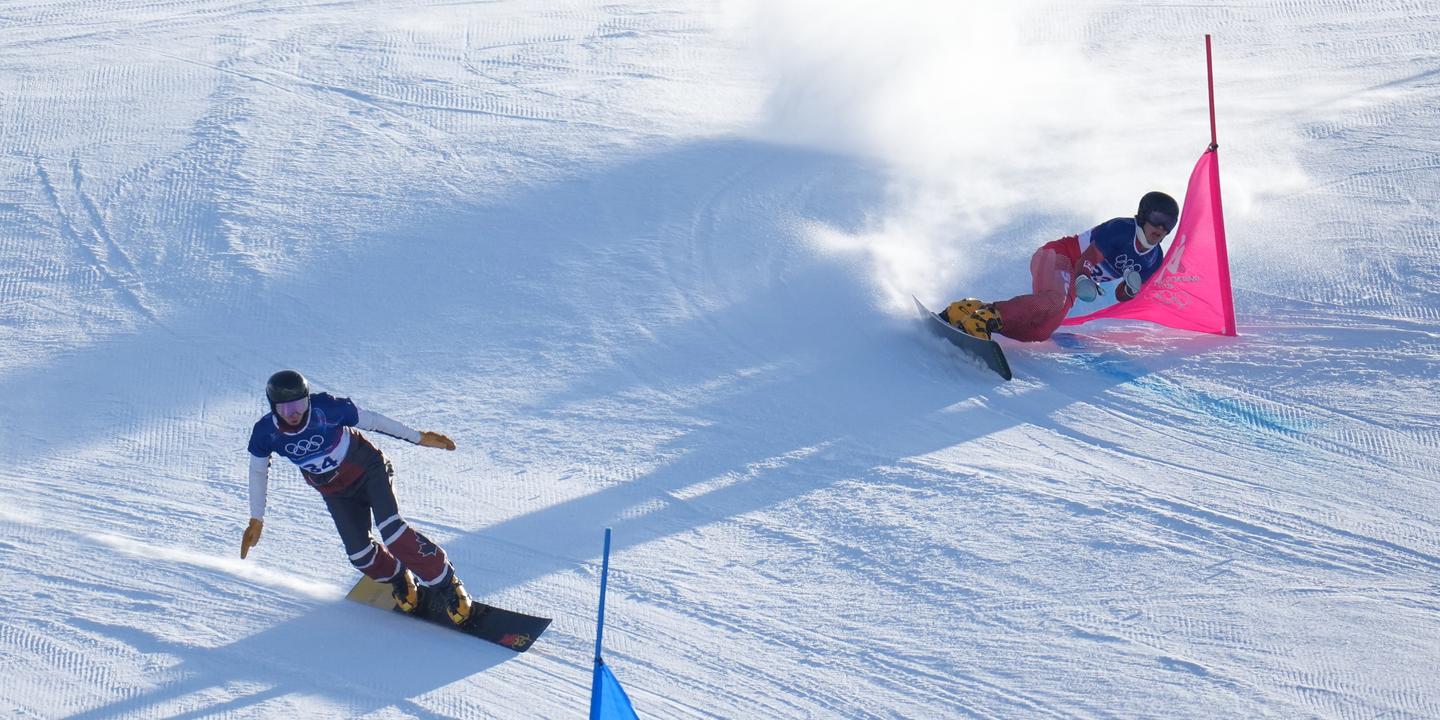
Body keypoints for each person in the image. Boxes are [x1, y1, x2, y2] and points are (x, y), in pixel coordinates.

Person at [239, 370, 473, 625]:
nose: (294, 414)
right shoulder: (265, 433)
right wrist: (256, 518)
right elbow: (258, 470)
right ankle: (398, 577)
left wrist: (419, 437)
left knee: (393, 533)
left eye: (299, 404)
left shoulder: (327, 408)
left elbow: (373, 421)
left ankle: (448, 584)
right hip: (336, 493)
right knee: (360, 555)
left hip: (367, 470)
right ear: (273, 408)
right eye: (285, 409)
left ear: (308, 399)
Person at [942, 191, 1180, 342]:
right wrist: (1084, 278)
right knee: (1054, 299)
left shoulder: (1153, 259)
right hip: (1058, 256)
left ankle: (968, 310)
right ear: (1143, 216)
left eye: (1168, 224)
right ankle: (985, 318)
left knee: (1040, 332)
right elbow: (1087, 258)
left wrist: (1130, 290)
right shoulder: (1122, 229)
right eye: (1158, 219)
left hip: (1074, 282)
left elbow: (1121, 295)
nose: (1161, 229)